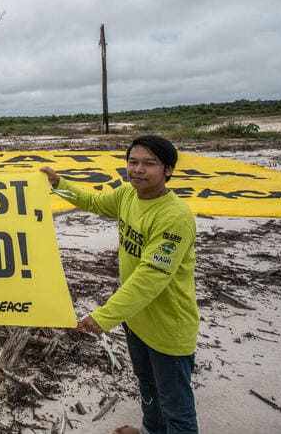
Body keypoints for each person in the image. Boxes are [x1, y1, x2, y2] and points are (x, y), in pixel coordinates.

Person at [41, 136, 198, 434]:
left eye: (149, 163)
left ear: (168, 170)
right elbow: (93, 202)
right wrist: (59, 184)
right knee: (147, 385)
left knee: (176, 408)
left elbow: (150, 277)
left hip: (168, 328)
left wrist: (105, 316)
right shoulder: (127, 195)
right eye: (133, 162)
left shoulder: (174, 217)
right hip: (136, 321)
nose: (138, 169)